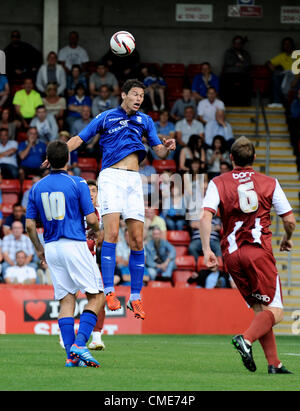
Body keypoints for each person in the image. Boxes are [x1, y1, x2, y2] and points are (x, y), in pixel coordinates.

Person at [44, 79, 176, 320]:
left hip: (134, 181)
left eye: (142, 96)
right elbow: (80, 138)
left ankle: (136, 298)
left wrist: (167, 147)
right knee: (112, 234)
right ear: (124, 95)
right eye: (135, 94)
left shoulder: (146, 121)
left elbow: (158, 150)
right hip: (111, 177)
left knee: (137, 239)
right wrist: (58, 154)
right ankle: (109, 291)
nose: (139, 99)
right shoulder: (106, 117)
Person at [199, 135, 295, 374]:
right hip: (258, 252)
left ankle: (274, 363)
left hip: (231, 255)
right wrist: (287, 238)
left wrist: (206, 250)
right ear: (254, 157)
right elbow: (290, 220)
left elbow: (205, 216)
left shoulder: (218, 182)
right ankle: (246, 339)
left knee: (260, 310)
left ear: (231, 158)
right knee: (277, 312)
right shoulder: (269, 182)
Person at [26, 140, 105, 368]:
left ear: (48, 160)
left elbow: (31, 226)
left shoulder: (36, 187)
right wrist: (97, 231)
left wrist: (39, 250)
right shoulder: (77, 182)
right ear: (68, 159)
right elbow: (91, 220)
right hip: (74, 244)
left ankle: (71, 357)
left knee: (66, 299)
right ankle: (80, 344)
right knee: (97, 295)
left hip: (51, 247)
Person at [85, 179, 106, 351]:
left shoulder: (104, 212)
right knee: (68, 297)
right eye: (88, 190)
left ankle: (96, 337)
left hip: (91, 259)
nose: (91, 193)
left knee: (100, 296)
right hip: (74, 255)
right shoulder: (75, 207)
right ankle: (64, 337)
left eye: (94, 190)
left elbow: (107, 238)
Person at [221, 36, 252, 106]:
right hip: (230, 75)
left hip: (242, 75)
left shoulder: (245, 53)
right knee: (224, 79)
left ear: (242, 44)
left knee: (248, 81)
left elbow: (247, 64)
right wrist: (236, 63)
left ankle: (244, 104)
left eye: (240, 43)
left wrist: (239, 57)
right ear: (233, 44)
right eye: (236, 43)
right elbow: (227, 62)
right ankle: (227, 103)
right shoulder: (228, 52)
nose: (238, 45)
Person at [267, 37, 296, 108]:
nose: (287, 46)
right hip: (286, 76)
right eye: (285, 44)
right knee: (276, 77)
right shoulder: (282, 56)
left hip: (297, 75)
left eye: (289, 44)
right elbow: (269, 62)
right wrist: (274, 70)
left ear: (292, 45)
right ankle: (277, 102)